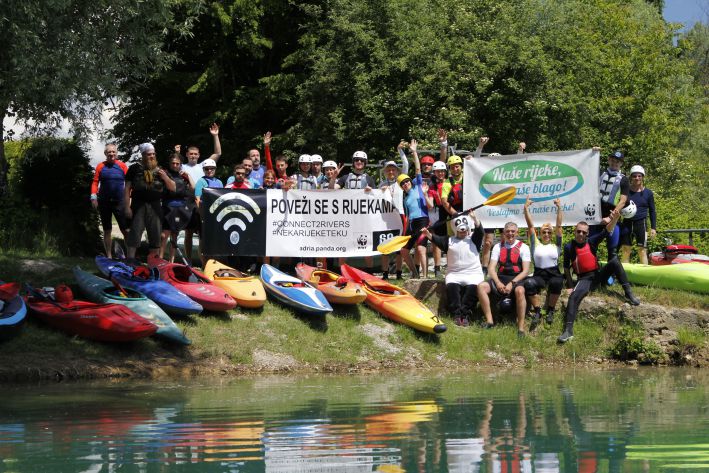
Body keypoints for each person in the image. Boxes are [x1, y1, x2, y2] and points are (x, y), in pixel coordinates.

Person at [559, 210, 641, 343]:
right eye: (579, 231)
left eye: (584, 232)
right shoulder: (569, 247)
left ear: (587, 234)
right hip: (584, 280)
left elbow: (607, 231)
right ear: (575, 231)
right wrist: (569, 285)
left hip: (597, 275)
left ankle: (628, 293)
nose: (581, 234)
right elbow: (566, 268)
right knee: (573, 296)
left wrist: (615, 218)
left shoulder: (591, 242)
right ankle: (568, 330)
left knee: (614, 261)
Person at [423, 212, 484, 327]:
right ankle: (456, 314)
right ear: (455, 229)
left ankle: (465, 314)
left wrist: (475, 218)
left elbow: (480, 231)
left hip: (473, 274)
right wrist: (427, 233)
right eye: (461, 231)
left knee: (472, 290)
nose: (463, 232)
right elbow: (435, 239)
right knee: (452, 289)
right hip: (454, 274)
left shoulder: (474, 239)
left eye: (465, 230)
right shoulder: (449, 241)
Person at [477, 222, 531, 337]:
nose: (510, 233)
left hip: (516, 279)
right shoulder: (497, 246)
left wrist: (512, 283)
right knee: (481, 286)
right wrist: (497, 282)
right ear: (504, 233)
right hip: (500, 278)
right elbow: (491, 268)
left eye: (513, 231)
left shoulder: (524, 247)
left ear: (517, 232)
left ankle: (521, 328)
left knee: (520, 291)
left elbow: (525, 271)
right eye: (507, 231)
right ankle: (489, 321)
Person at [123, 143, 176, 261]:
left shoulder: (161, 170)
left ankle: (154, 264)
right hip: (138, 205)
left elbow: (173, 188)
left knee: (156, 237)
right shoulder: (134, 168)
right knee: (134, 234)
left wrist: (165, 178)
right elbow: (127, 189)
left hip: (156, 206)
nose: (152, 156)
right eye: (148, 154)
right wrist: (127, 207)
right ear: (143, 155)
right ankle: (130, 262)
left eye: (153, 154)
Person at [180, 123, 222, 264]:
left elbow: (218, 153)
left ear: (199, 155)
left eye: (195, 154)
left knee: (203, 234)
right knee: (188, 234)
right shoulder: (181, 167)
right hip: (188, 202)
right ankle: (189, 260)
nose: (193, 156)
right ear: (186, 155)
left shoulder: (204, 166)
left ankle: (205, 261)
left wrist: (215, 136)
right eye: (190, 154)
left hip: (204, 203)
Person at [523, 197, 564, 327]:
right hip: (539, 274)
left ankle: (550, 311)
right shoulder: (535, 244)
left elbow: (559, 226)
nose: (546, 234)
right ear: (540, 234)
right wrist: (526, 208)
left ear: (551, 234)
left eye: (549, 232)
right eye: (544, 232)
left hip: (554, 273)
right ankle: (537, 311)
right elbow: (530, 226)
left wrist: (559, 208)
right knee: (529, 283)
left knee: (557, 282)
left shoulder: (556, 245)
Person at [397, 139, 431, 279]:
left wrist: (414, 151)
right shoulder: (405, 198)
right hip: (412, 224)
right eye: (402, 184)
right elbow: (407, 216)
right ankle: (415, 274)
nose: (405, 184)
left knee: (421, 249)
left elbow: (417, 169)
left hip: (423, 220)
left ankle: (425, 276)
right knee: (404, 251)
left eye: (406, 181)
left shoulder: (417, 186)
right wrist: (405, 231)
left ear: (410, 181)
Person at [91, 143, 129, 258]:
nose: (111, 154)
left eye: (113, 152)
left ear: (116, 153)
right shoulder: (100, 166)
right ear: (105, 153)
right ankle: (109, 256)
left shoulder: (122, 166)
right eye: (109, 152)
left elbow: (129, 184)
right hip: (104, 202)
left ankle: (130, 255)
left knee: (125, 230)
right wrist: (93, 197)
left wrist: (129, 199)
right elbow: (95, 182)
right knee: (107, 230)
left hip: (120, 202)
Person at [160, 153, 197, 261]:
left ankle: (171, 261)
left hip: (180, 208)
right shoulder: (164, 174)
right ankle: (160, 259)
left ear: (180, 164)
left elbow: (193, 188)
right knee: (163, 236)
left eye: (177, 164)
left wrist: (188, 176)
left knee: (174, 236)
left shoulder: (183, 176)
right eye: (173, 163)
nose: (175, 165)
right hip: (168, 206)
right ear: (170, 164)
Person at [592, 150, 629, 259]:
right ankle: (591, 274)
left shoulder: (624, 179)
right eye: (613, 160)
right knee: (591, 246)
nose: (615, 163)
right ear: (609, 160)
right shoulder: (600, 173)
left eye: (617, 162)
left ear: (621, 163)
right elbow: (588, 165)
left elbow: (623, 200)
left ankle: (611, 276)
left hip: (612, 219)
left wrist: (610, 218)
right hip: (595, 217)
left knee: (612, 251)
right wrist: (593, 152)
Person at [378, 147, 408, 280]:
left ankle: (399, 273)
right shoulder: (381, 184)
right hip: (386, 219)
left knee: (399, 247)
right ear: (385, 172)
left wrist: (400, 151)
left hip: (400, 217)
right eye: (388, 170)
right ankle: (385, 274)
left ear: (397, 171)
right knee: (385, 247)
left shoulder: (401, 182)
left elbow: (406, 164)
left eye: (393, 169)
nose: (391, 171)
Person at [620, 165, 656, 265]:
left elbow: (652, 211)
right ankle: (624, 277)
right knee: (626, 250)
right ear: (631, 177)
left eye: (639, 176)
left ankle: (645, 278)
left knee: (642, 251)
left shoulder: (648, 193)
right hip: (627, 223)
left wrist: (653, 227)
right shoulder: (626, 191)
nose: (637, 178)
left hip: (641, 224)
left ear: (643, 177)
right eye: (634, 176)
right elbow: (619, 206)